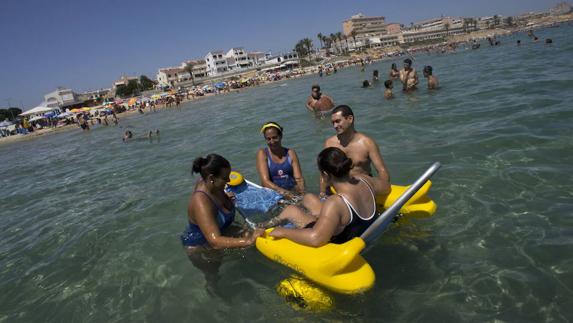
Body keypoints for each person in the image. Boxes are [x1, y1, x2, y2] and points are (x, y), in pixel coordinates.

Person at [268, 148, 387, 246]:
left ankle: (263, 227)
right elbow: (386, 187)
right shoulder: (364, 179)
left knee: (291, 210)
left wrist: (284, 232)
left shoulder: (336, 203)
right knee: (309, 198)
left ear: (325, 175)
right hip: (363, 230)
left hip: (341, 242)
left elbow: (316, 238)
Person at [181, 154, 263, 251]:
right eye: (225, 178)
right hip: (202, 248)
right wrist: (248, 241)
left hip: (223, 230)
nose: (228, 181)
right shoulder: (201, 202)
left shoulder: (210, 183)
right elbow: (215, 242)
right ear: (211, 178)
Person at [320, 105, 391, 198]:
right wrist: (323, 194)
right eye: (333, 123)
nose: (335, 126)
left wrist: (382, 190)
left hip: (362, 187)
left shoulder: (367, 143)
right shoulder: (329, 143)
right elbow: (324, 173)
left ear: (350, 119)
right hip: (338, 187)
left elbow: (382, 171)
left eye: (338, 121)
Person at [256, 122, 305, 197]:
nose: (272, 141)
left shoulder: (291, 153)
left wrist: (302, 193)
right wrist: (287, 194)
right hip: (273, 194)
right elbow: (265, 182)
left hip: (292, 191)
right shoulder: (262, 154)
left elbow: (299, 179)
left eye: (275, 137)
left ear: (281, 136)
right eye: (268, 139)